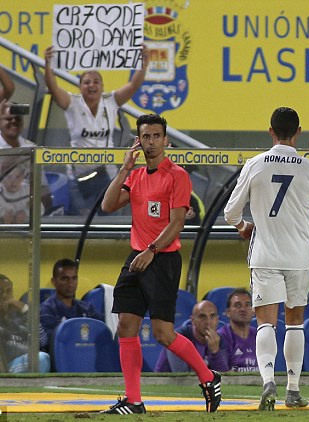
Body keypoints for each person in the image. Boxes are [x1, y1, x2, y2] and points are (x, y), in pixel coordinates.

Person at [223, 107, 309, 411]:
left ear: (270, 131)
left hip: (264, 253)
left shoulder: (255, 165)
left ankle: (267, 382)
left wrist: (243, 226)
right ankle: (293, 390)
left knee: (265, 323)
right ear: (298, 131)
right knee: (296, 322)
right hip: (298, 255)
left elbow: (230, 212)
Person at [100, 113, 221, 414]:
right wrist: (124, 169)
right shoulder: (136, 176)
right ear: (138, 141)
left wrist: (152, 250)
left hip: (162, 259)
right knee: (126, 326)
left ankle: (208, 377)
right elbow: (107, 205)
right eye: (145, 137)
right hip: (137, 257)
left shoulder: (177, 175)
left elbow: (177, 222)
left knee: (162, 334)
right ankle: (134, 401)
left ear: (166, 140)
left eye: (156, 136)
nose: (151, 142)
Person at [44, 44, 149, 214]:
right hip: (78, 176)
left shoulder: (111, 101)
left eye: (96, 82)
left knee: (108, 220)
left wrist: (144, 62)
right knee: (81, 219)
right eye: (86, 82)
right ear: (80, 86)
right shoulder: (72, 103)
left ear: (102, 86)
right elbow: (53, 88)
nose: (91, 85)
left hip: (106, 175)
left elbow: (133, 86)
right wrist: (48, 64)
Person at [0, 101, 52, 214]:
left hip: (24, 215)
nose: (13, 122)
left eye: (18, 119)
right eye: (8, 119)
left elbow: (40, 187)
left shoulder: (31, 148)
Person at [0, 274, 50, 373]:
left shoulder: (16, 317)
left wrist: (25, 310)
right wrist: (28, 349)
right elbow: (0, 352)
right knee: (40, 359)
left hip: (18, 365)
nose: (4, 295)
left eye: (8, 291)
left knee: (42, 358)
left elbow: (42, 341)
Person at [40, 258, 102, 348]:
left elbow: (101, 334)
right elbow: (52, 342)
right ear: (53, 281)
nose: (70, 284)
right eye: (64, 279)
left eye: (74, 278)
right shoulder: (46, 310)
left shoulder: (88, 309)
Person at [154, 300, 228, 373]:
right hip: (164, 383)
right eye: (202, 316)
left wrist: (215, 353)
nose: (208, 322)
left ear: (217, 320)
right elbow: (181, 375)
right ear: (193, 320)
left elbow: (224, 377)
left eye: (212, 316)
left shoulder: (219, 340)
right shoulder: (177, 338)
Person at [217, 288, 258, 372]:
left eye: (247, 305)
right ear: (228, 312)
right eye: (237, 305)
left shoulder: (259, 335)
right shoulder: (221, 337)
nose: (243, 309)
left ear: (253, 311)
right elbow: (223, 373)